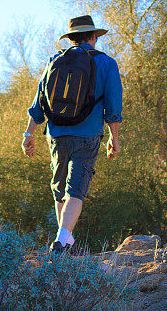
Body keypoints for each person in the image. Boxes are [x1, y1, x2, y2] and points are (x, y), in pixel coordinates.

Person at [22, 15, 123, 253]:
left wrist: (28, 134)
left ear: (71, 38)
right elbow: (113, 106)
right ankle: (61, 239)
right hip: (87, 135)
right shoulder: (106, 63)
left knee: (59, 189)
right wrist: (114, 137)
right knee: (76, 188)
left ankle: (66, 242)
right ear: (93, 36)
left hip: (56, 134)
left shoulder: (55, 61)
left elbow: (39, 101)